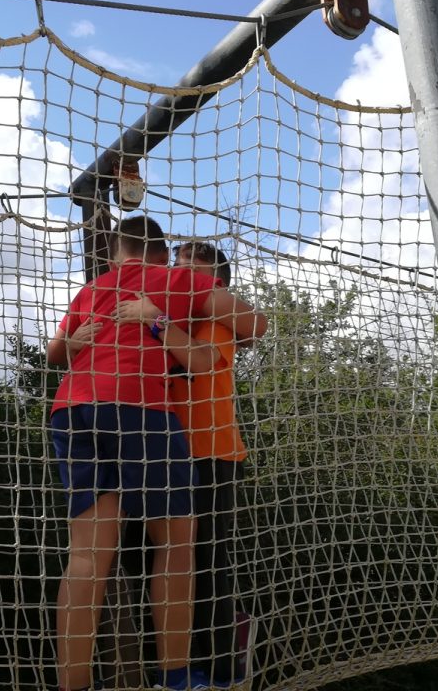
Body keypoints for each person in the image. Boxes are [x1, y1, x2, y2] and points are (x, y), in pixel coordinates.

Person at [46, 216, 265, 691]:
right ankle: (176, 676)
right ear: (164, 257)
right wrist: (166, 314)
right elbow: (256, 324)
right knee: (178, 545)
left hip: (72, 409)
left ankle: (73, 683)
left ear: (113, 255)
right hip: (140, 409)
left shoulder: (92, 289)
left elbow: (54, 353)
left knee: (87, 556)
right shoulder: (176, 282)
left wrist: (76, 343)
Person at [114, 241, 267, 687]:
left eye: (190, 271)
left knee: (204, 559)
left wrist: (156, 319)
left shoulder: (213, 320)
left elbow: (201, 363)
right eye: (175, 268)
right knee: (144, 558)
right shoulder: (168, 316)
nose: (179, 277)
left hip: (209, 451)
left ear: (214, 283)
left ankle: (220, 667)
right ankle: (165, 664)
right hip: (156, 447)